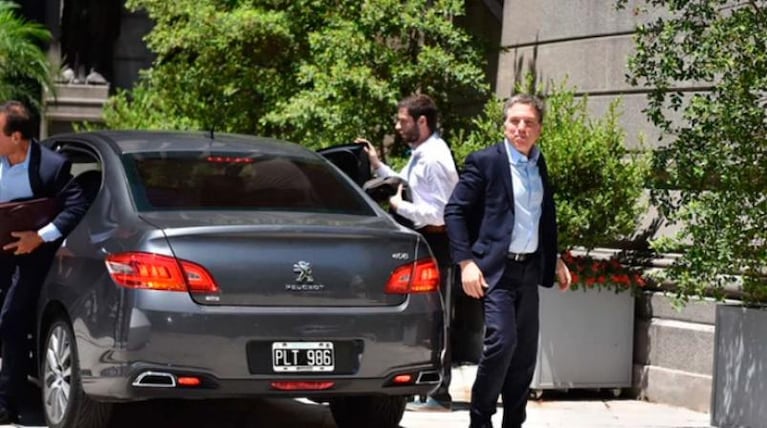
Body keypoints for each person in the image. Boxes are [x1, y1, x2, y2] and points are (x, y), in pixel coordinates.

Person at [444, 94, 572, 428]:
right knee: (502, 341)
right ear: (505, 124)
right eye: (515, 121)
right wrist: (466, 263)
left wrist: (554, 258)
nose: (521, 128)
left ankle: (514, 422)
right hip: (495, 270)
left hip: (528, 270)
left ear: (539, 129)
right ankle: (480, 420)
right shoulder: (486, 161)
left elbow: (541, 217)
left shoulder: (538, 164)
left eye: (529, 122)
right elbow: (454, 210)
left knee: (525, 353)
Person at [356, 93, 459, 411]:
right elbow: (405, 182)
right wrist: (377, 165)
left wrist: (400, 206)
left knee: (437, 318)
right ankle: (425, 386)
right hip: (423, 243)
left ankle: (440, 393)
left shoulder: (434, 157)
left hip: (437, 244)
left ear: (422, 121)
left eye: (403, 120)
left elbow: (440, 213)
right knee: (423, 317)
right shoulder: (421, 153)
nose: (398, 126)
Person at [0, 101, 89, 423]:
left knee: (11, 321)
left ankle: (7, 404)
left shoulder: (53, 167)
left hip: (29, 256)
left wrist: (39, 236)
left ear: (16, 137)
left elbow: (75, 208)